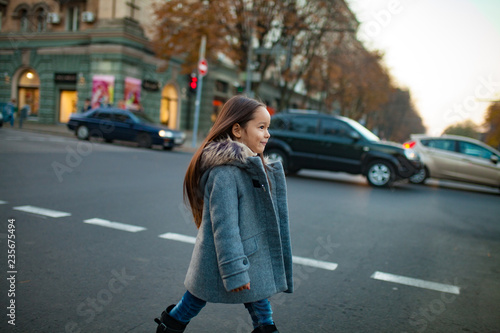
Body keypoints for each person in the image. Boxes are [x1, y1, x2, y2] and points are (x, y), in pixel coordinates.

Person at [154, 96, 294, 333]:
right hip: (226, 258)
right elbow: (225, 226)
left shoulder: (250, 168)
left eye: (267, 128)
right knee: (193, 301)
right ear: (237, 130)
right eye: (261, 127)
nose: (267, 134)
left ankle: (266, 328)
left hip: (248, 254)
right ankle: (170, 327)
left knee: (259, 305)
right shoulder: (226, 174)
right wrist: (235, 270)